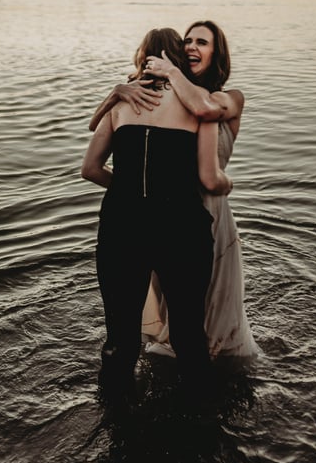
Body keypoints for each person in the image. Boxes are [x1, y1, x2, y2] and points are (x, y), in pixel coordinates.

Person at [90, 20, 260, 361]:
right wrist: (119, 90)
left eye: (203, 42)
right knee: (187, 327)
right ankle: (197, 403)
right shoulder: (180, 104)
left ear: (218, 53)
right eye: (188, 42)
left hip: (202, 213)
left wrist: (131, 189)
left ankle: (125, 405)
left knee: (125, 336)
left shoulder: (222, 99)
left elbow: (90, 166)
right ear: (177, 54)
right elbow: (211, 177)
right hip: (185, 215)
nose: (193, 47)